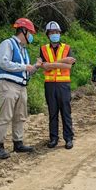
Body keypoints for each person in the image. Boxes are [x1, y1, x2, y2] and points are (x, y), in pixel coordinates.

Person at [0, 18, 41, 159]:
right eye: (31, 33)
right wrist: (24, 67)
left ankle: (18, 142)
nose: (32, 36)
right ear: (24, 31)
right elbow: (3, 62)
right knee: (5, 116)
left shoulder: (24, 50)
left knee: (20, 116)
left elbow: (25, 70)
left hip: (21, 87)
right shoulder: (7, 43)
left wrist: (35, 67)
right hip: (8, 85)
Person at [39, 21, 76, 150]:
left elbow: (69, 66)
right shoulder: (43, 49)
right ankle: (53, 138)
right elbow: (44, 67)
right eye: (52, 32)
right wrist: (62, 62)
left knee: (66, 112)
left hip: (63, 85)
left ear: (60, 33)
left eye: (57, 32)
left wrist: (51, 64)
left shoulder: (67, 48)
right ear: (48, 35)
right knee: (52, 113)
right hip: (49, 85)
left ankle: (68, 138)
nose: (55, 34)